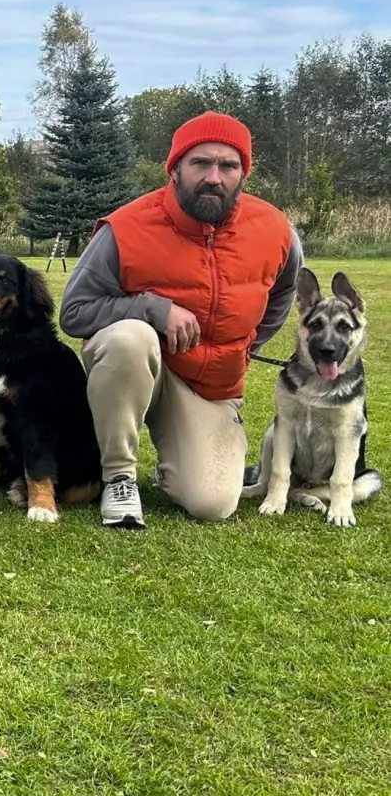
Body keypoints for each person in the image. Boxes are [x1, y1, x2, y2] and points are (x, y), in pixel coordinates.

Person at [60, 111, 302, 529]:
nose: (214, 176)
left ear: (244, 173)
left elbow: (282, 292)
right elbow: (74, 311)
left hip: (208, 387)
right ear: (174, 168)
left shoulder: (276, 229)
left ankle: (179, 463)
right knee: (130, 338)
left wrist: (249, 346)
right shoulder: (126, 227)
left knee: (212, 503)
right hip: (137, 367)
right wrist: (153, 309)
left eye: (228, 165)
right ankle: (119, 475)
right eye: (200, 163)